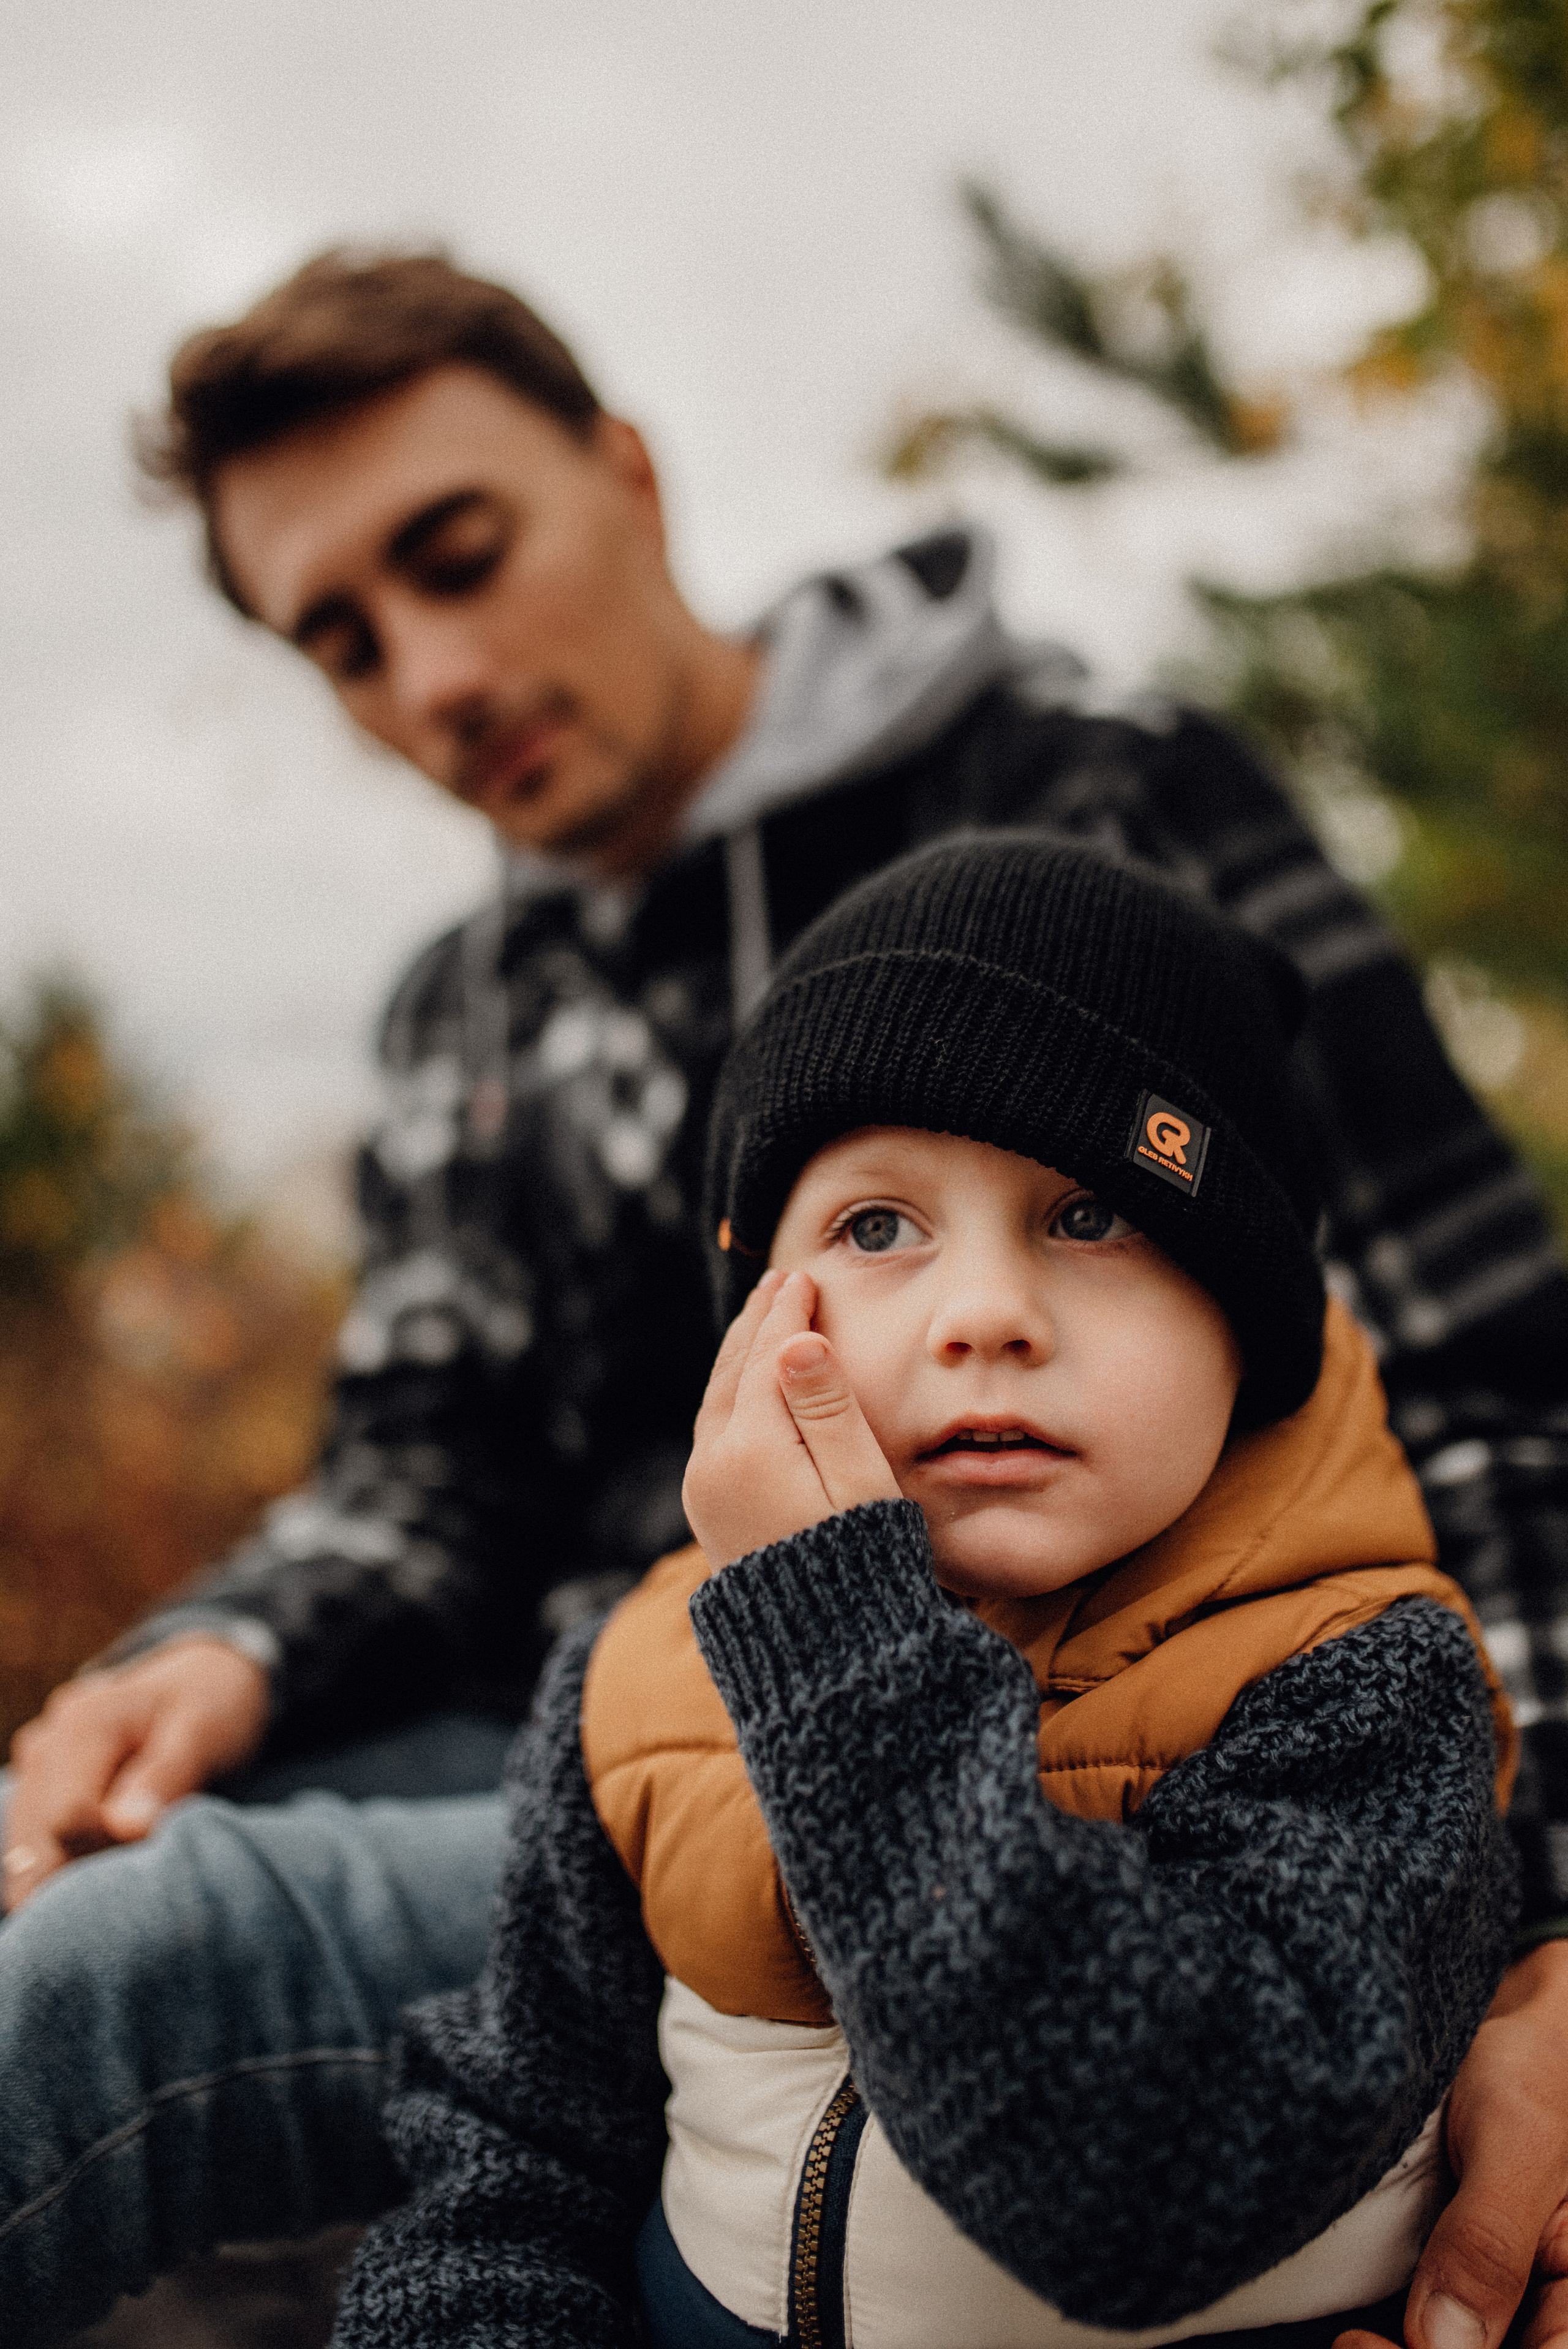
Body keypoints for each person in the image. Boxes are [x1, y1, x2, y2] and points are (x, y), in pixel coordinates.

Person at [0, 249, 1564, 2348]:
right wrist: (229, 1650)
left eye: (459, 556)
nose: (433, 678)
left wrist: (1536, 1896)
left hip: (1062, 1732)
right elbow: (422, 1475)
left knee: (155, 1954)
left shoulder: (1093, 793)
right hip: (606, 1734)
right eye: (344, 644)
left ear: (626, 476)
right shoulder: (462, 1010)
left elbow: (1478, 1364)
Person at [332, 833, 1520, 2349]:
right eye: (874, 1229)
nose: (983, 1316)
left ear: (1246, 1318)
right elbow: (518, 2152)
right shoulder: (632, 1680)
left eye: (1089, 1215)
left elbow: (1137, 2187)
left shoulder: (1360, 1682)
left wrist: (842, 1642)